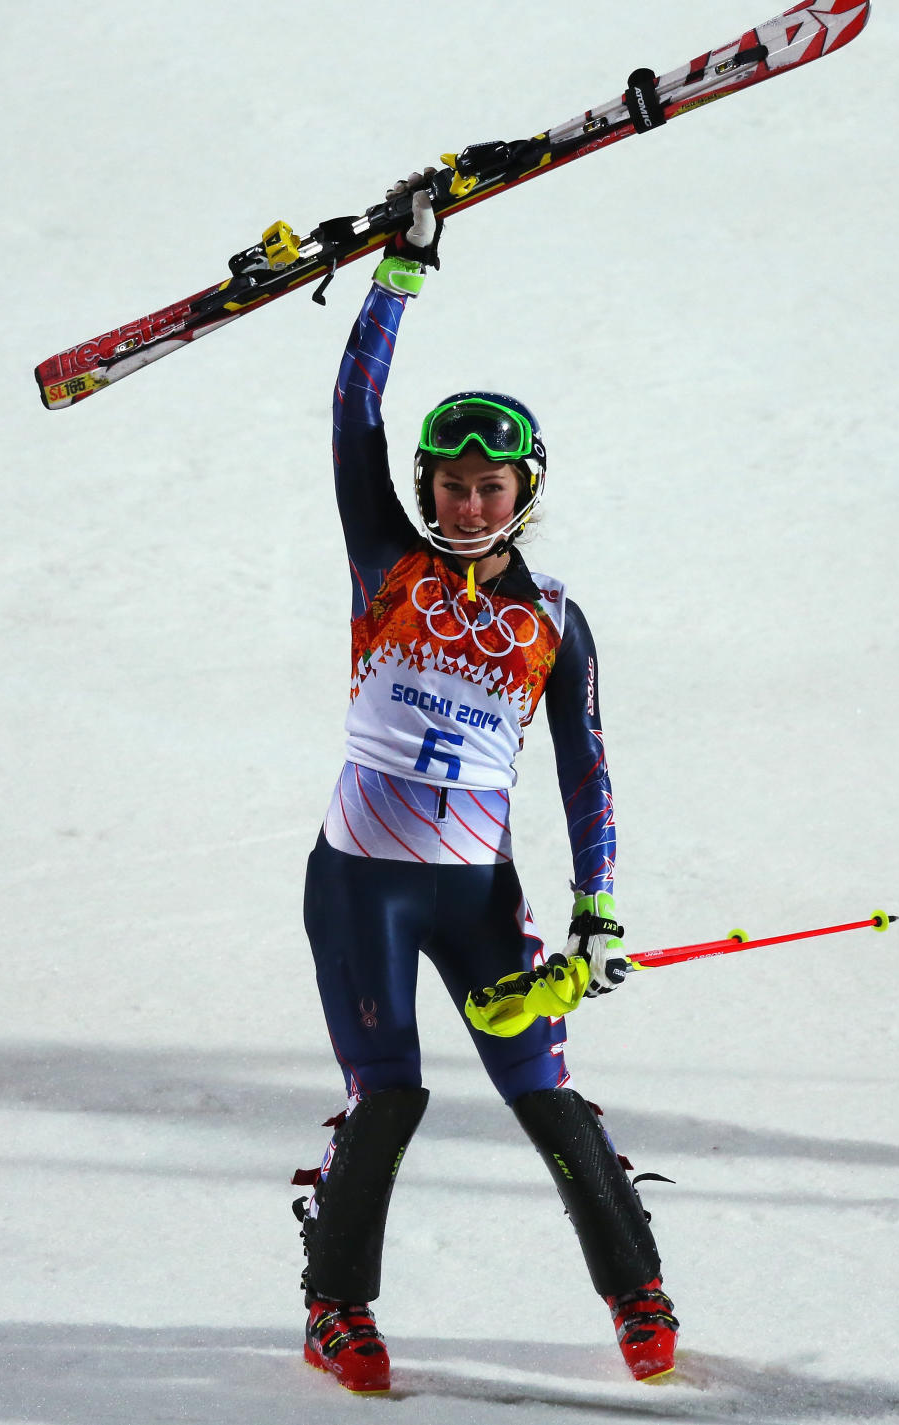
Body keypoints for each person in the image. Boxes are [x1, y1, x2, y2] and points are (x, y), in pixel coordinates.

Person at [291, 183, 679, 1395]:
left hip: (475, 893)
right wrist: (398, 277)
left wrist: (598, 910)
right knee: (388, 1099)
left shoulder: (554, 619)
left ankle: (639, 1293)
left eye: (489, 485)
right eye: (450, 483)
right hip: (360, 887)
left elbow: (587, 770)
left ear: (525, 489)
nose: (466, 501)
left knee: (547, 1094)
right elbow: (353, 411)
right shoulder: (384, 558)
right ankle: (336, 1309)